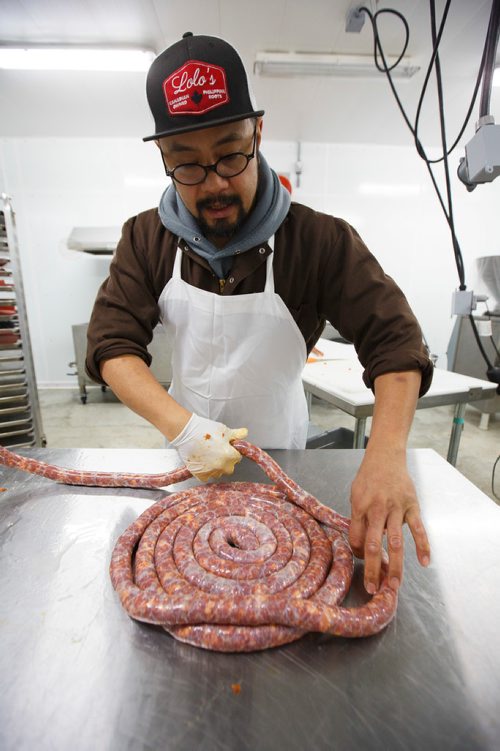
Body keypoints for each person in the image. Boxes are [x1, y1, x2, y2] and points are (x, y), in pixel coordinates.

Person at [86, 32, 433, 595]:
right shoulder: (147, 238)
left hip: (287, 465)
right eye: (188, 166)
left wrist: (388, 455)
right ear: (163, 159)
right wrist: (184, 429)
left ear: (258, 132)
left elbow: (395, 342)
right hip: (189, 464)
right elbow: (112, 346)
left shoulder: (319, 241)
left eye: (230, 152)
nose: (216, 183)